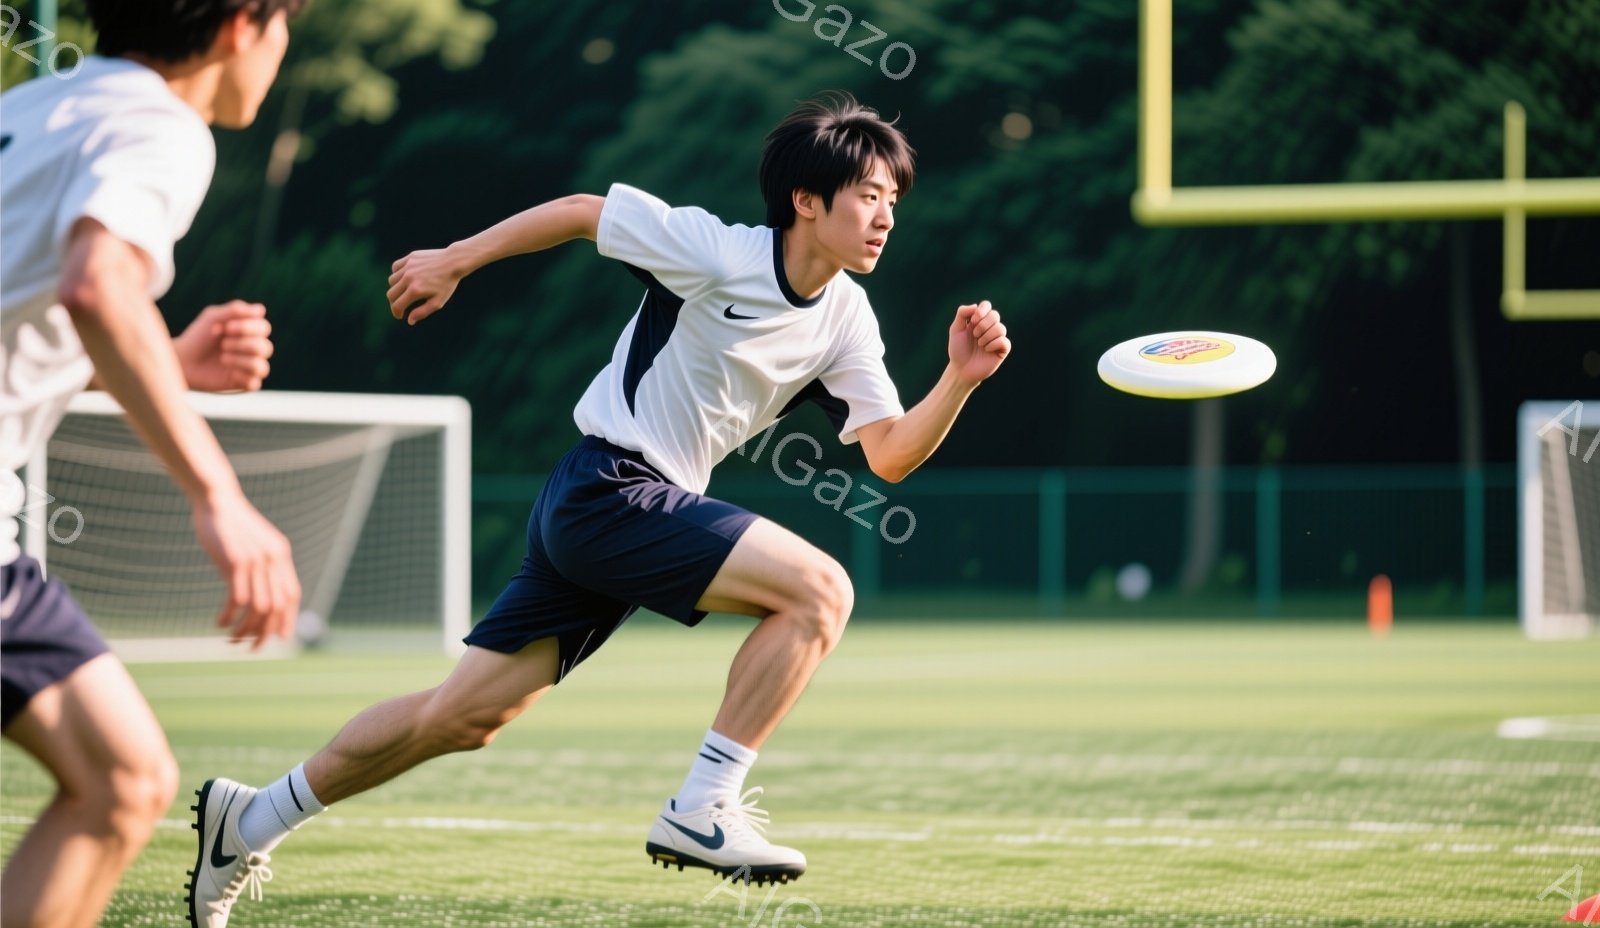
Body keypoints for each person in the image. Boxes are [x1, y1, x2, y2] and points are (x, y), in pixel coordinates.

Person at [190, 90, 1011, 924]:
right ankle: (704, 805)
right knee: (821, 591)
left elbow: (890, 453)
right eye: (869, 195)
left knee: (461, 716)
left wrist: (958, 380)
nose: (885, 218)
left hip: (618, 510)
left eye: (892, 201)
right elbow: (587, 212)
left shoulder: (846, 319)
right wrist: (454, 259)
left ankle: (251, 817)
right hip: (608, 489)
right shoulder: (720, 251)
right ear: (807, 201)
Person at [0, 2, 305, 925]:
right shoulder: (160, 125)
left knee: (122, 778)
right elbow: (98, 282)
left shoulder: (35, 110)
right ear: (242, 25)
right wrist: (221, 497)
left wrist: (167, 361)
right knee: (122, 782)